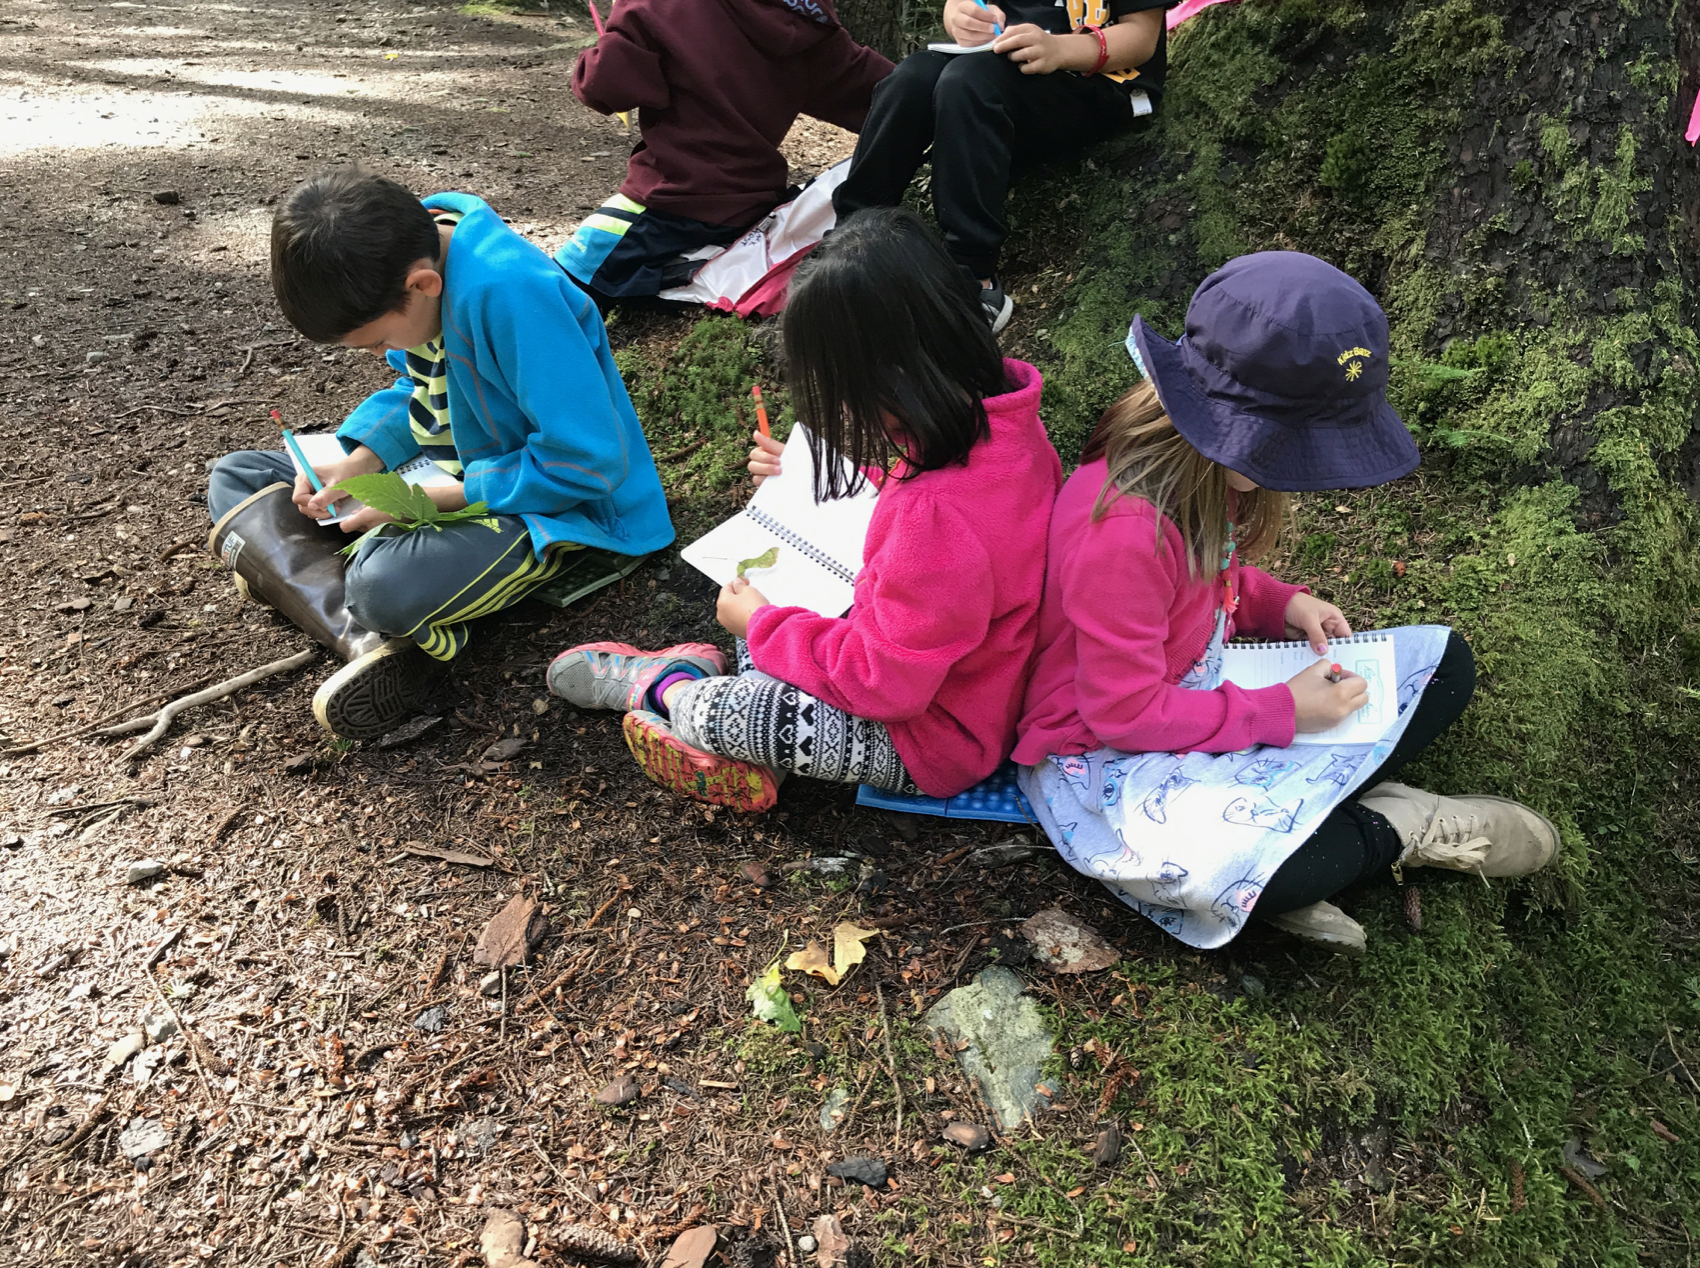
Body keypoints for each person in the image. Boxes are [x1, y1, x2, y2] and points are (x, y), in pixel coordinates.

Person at [1013, 252, 1559, 954]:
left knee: (1445, 663)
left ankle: (1290, 821)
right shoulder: (1123, 532)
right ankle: (1391, 826)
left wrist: (1282, 605)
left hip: (1198, 692)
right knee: (1250, 876)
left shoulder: (1203, 481)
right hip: (1107, 754)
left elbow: (1209, 586)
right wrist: (1282, 712)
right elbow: (1120, 712)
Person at [546, 207, 1063, 811]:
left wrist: (761, 625)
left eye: (841, 391)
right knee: (767, 607)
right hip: (945, 673)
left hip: (934, 735)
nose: (840, 411)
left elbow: (884, 682)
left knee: (720, 706)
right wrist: (805, 478)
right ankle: (765, 736)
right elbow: (936, 522)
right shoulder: (1007, 423)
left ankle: (668, 688)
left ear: (892, 378)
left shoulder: (936, 516)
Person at [207, 170, 674, 741]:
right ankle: (365, 632)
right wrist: (362, 459)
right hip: (448, 465)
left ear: (424, 285)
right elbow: (419, 391)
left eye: (377, 342)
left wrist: (441, 497)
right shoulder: (408, 260)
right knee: (239, 475)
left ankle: (311, 579)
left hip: (554, 508)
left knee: (383, 586)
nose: (382, 354)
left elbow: (587, 462)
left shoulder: (511, 297)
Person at [833, 0, 1174, 332]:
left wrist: (1058, 49)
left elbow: (1141, 38)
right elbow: (960, 6)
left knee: (967, 83)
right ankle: (851, 238)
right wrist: (961, 19)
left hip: (1099, 83)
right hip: (998, 67)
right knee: (911, 78)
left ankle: (973, 275)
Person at [557, 0, 892, 303]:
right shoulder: (809, 24)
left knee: (554, 288)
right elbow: (886, 92)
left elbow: (603, 89)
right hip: (752, 204)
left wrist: (622, 19)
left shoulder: (657, 6)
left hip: (667, 198)